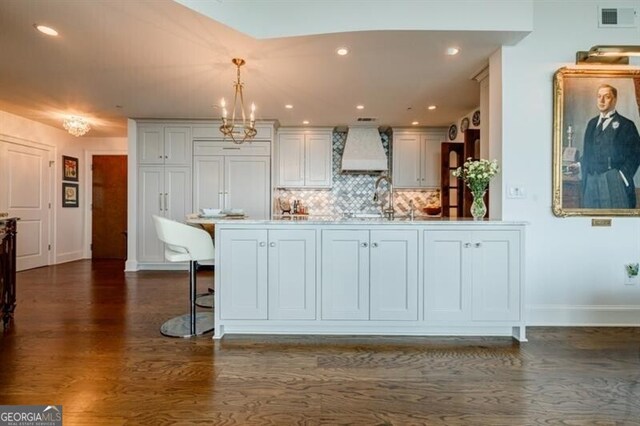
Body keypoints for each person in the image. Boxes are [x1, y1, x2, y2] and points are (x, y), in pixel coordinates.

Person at [581, 84, 640, 208]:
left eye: (606, 97)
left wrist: (621, 176)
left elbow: (636, 154)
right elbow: (587, 153)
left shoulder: (626, 125)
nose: (601, 100)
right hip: (591, 181)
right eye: (599, 96)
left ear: (614, 99)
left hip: (613, 181)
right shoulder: (592, 123)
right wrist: (579, 165)